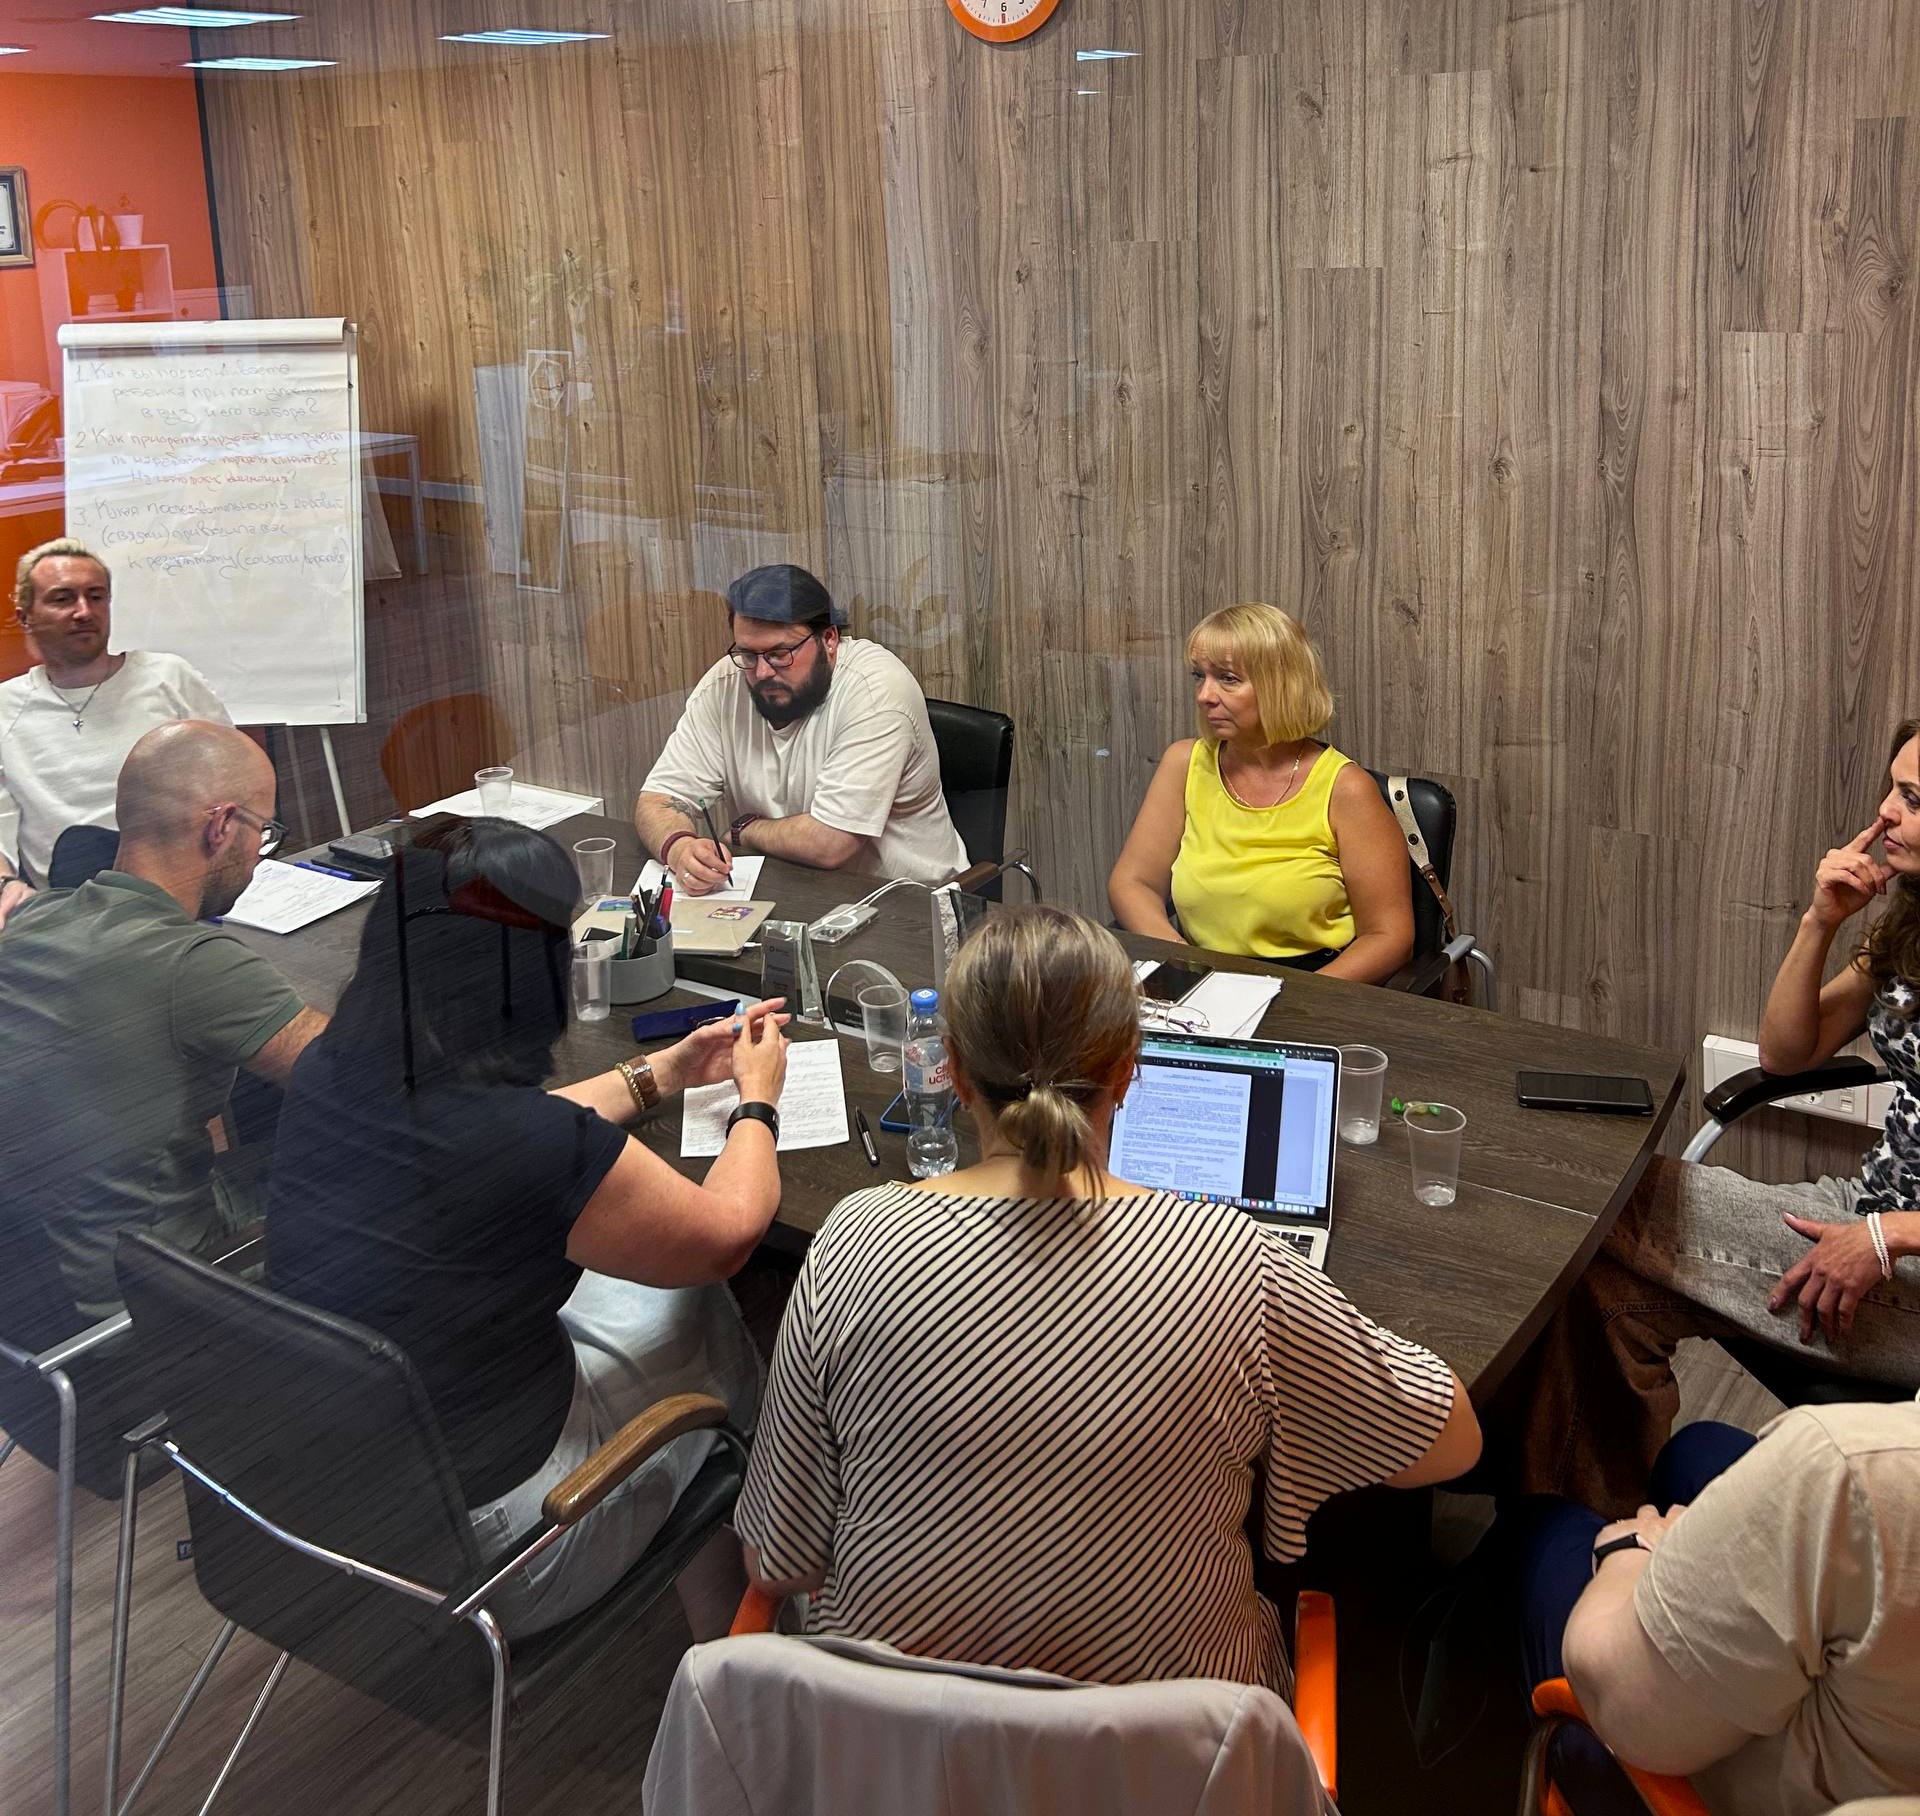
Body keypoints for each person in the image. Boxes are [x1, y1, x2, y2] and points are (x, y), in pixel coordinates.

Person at [733, 904, 1480, 1687]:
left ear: (952, 1068)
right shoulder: (1230, 1261)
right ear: (1128, 1070)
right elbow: (1453, 1440)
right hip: (1184, 1749)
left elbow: (776, 1562)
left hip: (891, 1743)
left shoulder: (853, 1241)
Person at [266, 816, 790, 1640]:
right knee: (704, 1296)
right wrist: (757, 1099)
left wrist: (661, 1072)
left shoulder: (332, 1068)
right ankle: (748, 1553)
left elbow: (511, 1129)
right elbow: (727, 1234)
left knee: (646, 1279)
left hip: (330, 1511)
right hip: (500, 1553)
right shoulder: (522, 1142)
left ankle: (732, 1572)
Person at [1513, 720, 1920, 1514]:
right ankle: (1595, 1537)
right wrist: (1820, 921)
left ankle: (1569, 1534)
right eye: (1893, 788)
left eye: (1912, 798)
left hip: (1900, 1249)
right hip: (1867, 1208)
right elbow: (1786, 1053)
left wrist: (1886, 1237)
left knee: (1611, 1205)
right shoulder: (1911, 925)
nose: (1885, 812)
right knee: (1606, 1288)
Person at [0, 720, 327, 1321]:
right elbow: (358, 1076)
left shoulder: (30, 924)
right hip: (152, 1302)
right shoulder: (193, 964)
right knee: (372, 1188)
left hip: (36, 1293)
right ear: (221, 826)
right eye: (263, 832)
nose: (258, 855)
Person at [1519, 1400, 1920, 1816]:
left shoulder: (1846, 1472)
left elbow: (1617, 1696)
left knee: (1549, 1526)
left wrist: (1628, 1550)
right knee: (1696, 1452)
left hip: (1716, 1786)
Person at [1108, 603, 1413, 981]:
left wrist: (1299, 998)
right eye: (1199, 675)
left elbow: (1389, 936)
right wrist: (1183, 962)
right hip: (1200, 978)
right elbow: (1132, 883)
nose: (1204, 695)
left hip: (1313, 981)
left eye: (1227, 678)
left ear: (1281, 685)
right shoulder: (1184, 763)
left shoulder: (1345, 788)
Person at [635, 564, 967, 893]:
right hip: (791, 888)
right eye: (748, 654)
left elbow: (830, 842)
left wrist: (744, 831)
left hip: (909, 901)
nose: (762, 672)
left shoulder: (876, 691)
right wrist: (680, 848)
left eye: (779, 654)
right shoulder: (725, 685)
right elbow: (658, 800)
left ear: (829, 639)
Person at [0, 538, 230, 925]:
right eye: (62, 599)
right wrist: (7, 885)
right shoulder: (5, 708)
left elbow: (236, 780)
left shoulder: (168, 678)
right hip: (68, 914)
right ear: (26, 617)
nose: (83, 611)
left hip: (184, 902)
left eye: (96, 597)